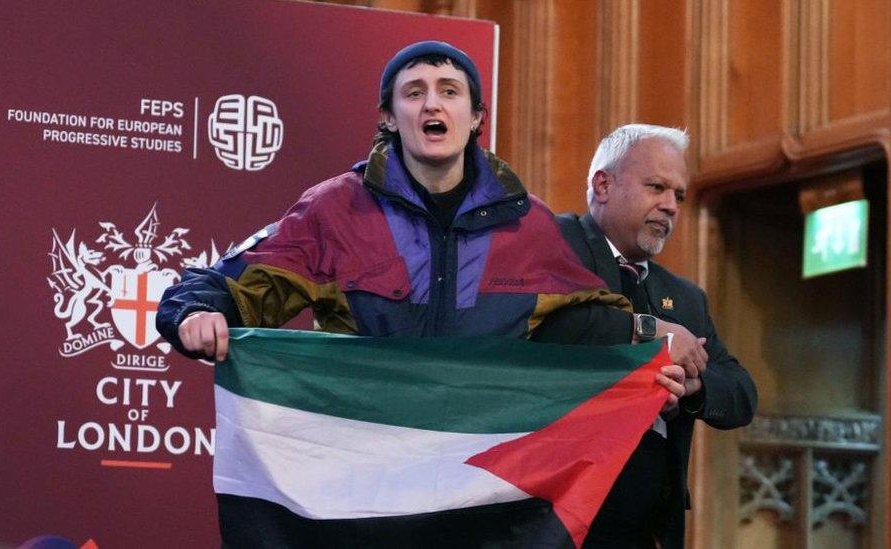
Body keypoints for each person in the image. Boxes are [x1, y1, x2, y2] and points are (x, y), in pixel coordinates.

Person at [156, 42, 694, 545]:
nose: (431, 103)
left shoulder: (526, 223)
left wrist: (649, 339)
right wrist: (196, 310)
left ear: (476, 117)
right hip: (360, 496)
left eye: (449, 91)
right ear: (389, 117)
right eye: (414, 92)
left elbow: (583, 322)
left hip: (481, 501)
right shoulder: (334, 210)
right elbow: (236, 280)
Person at [545, 124, 758, 548]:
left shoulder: (686, 298)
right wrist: (648, 332)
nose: (671, 206)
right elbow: (555, 328)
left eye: (678, 195)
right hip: (552, 517)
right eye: (656, 187)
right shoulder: (553, 246)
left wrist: (695, 386)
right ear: (602, 185)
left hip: (645, 526)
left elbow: (741, 392)